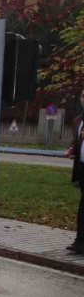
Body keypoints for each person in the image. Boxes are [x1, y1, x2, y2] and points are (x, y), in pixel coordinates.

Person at [68, 89, 84, 255]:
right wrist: (72, 149)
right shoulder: (78, 120)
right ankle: (79, 241)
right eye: (83, 96)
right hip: (81, 167)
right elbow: (77, 142)